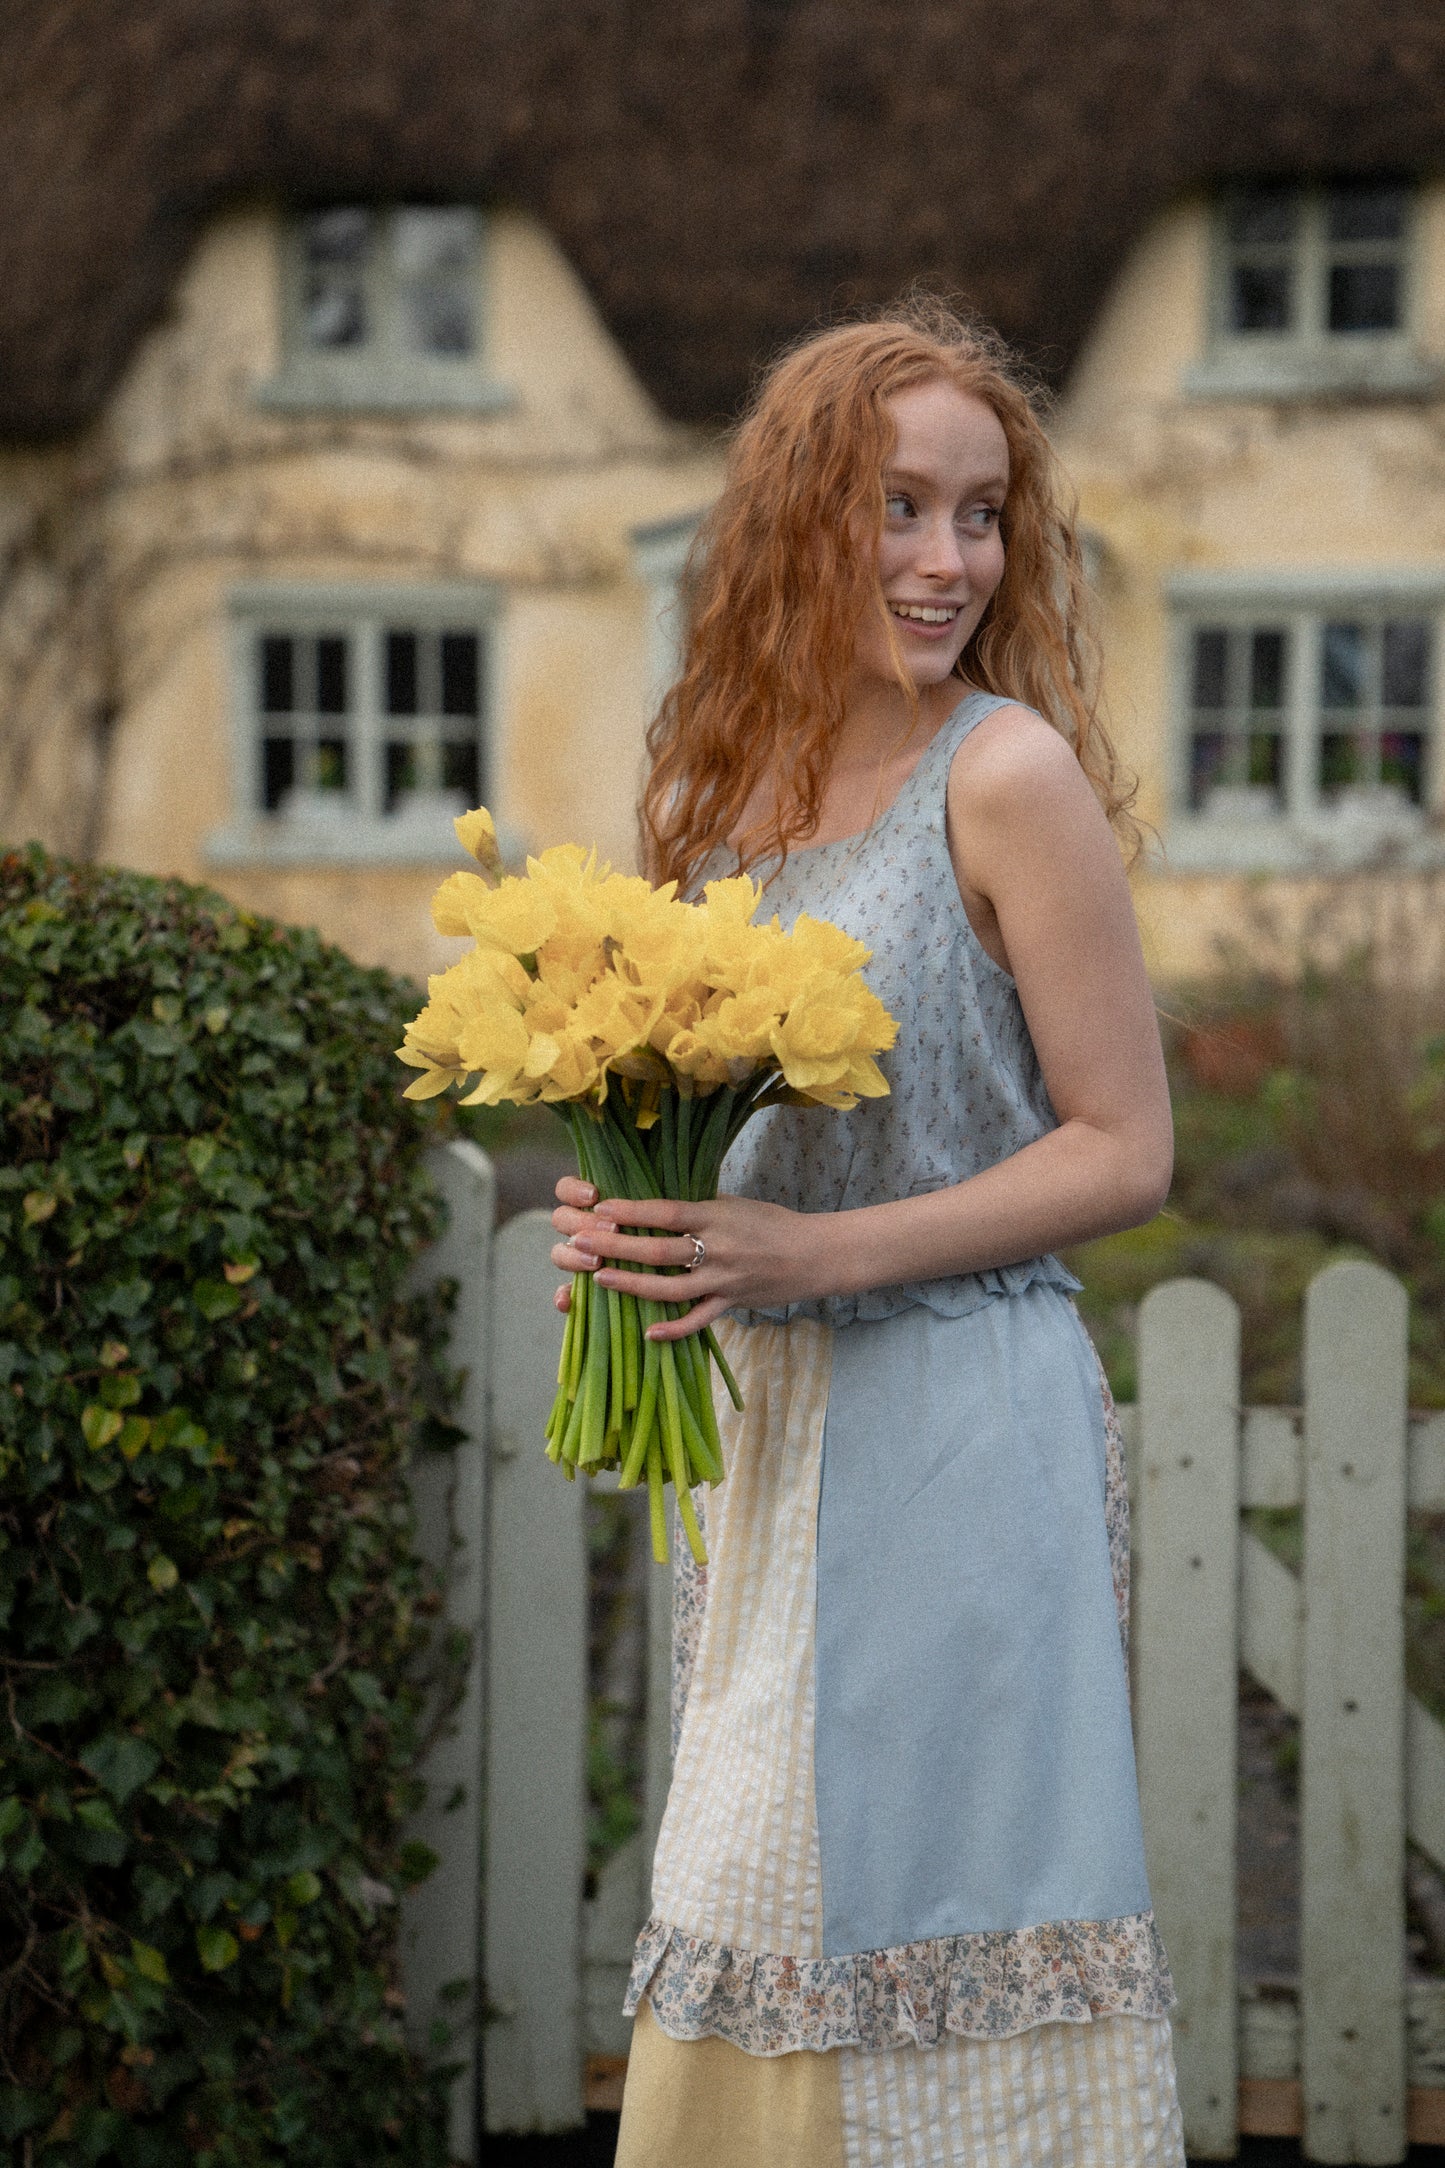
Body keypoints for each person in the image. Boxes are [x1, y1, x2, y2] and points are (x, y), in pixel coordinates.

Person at [550, 301, 1185, 2168]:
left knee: (925, 1907)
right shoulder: (710, 809)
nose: (946, 561)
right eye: (897, 507)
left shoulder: (1005, 777)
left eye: (981, 515)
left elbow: (1125, 1147)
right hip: (765, 1442)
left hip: (961, 1428)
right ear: (791, 518)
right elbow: (715, 1136)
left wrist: (811, 1261)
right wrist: (637, 1203)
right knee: (757, 1892)